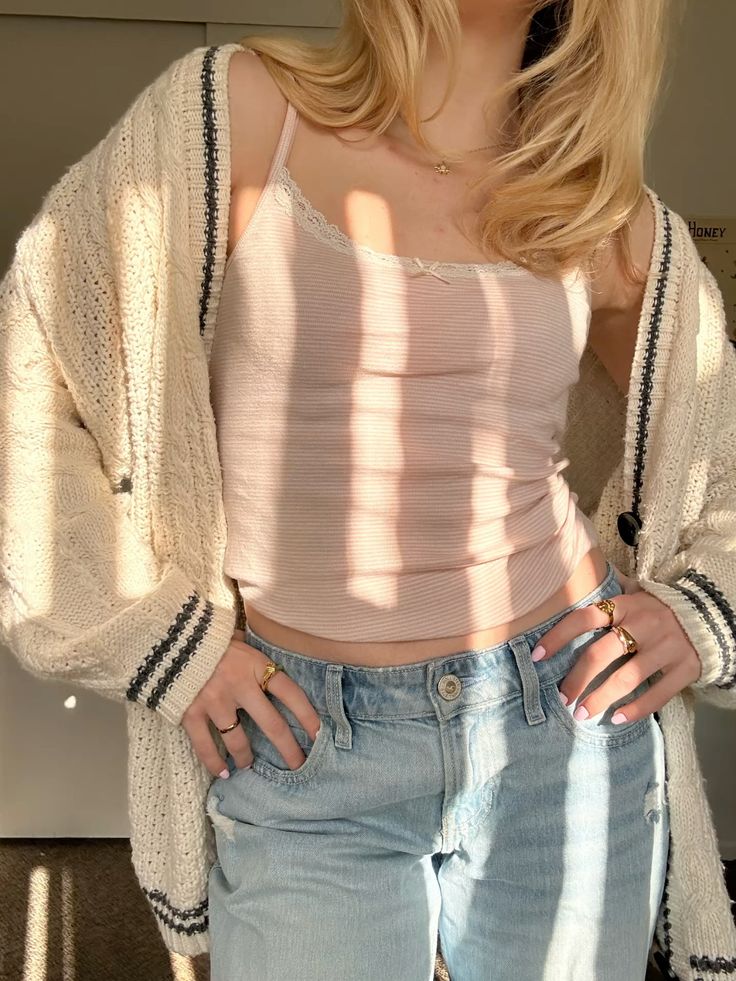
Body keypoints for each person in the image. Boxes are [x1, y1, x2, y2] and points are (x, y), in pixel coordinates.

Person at [3, 1, 736, 979]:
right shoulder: (239, 113)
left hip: (560, 718)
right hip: (306, 740)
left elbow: (714, 429)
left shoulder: (587, 199)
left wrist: (701, 608)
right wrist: (155, 637)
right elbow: (30, 378)